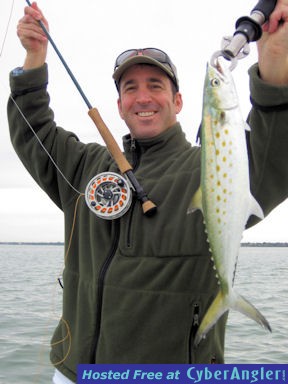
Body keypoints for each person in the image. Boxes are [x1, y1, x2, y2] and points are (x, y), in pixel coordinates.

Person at [8, 1, 288, 383]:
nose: (142, 98)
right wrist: (34, 59)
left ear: (178, 101)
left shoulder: (208, 167)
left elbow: (274, 158)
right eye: (130, 88)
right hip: (75, 374)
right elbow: (33, 129)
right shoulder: (86, 166)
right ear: (120, 106)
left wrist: (273, 67)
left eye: (156, 86)